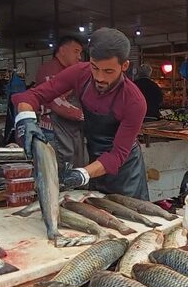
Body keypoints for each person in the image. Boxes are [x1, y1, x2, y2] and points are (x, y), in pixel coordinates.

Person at [12, 28, 149, 199]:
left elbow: (116, 156)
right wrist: (26, 119)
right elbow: (34, 95)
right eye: (95, 67)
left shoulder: (134, 101)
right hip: (94, 161)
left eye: (108, 71)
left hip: (126, 171)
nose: (99, 77)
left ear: (124, 66)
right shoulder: (80, 73)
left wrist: (81, 175)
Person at [36, 35, 86, 169]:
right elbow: (55, 102)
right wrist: (85, 116)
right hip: (53, 132)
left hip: (68, 132)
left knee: (72, 169)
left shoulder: (68, 71)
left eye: (80, 53)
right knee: (60, 173)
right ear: (62, 50)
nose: (79, 57)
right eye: (76, 51)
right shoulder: (50, 70)